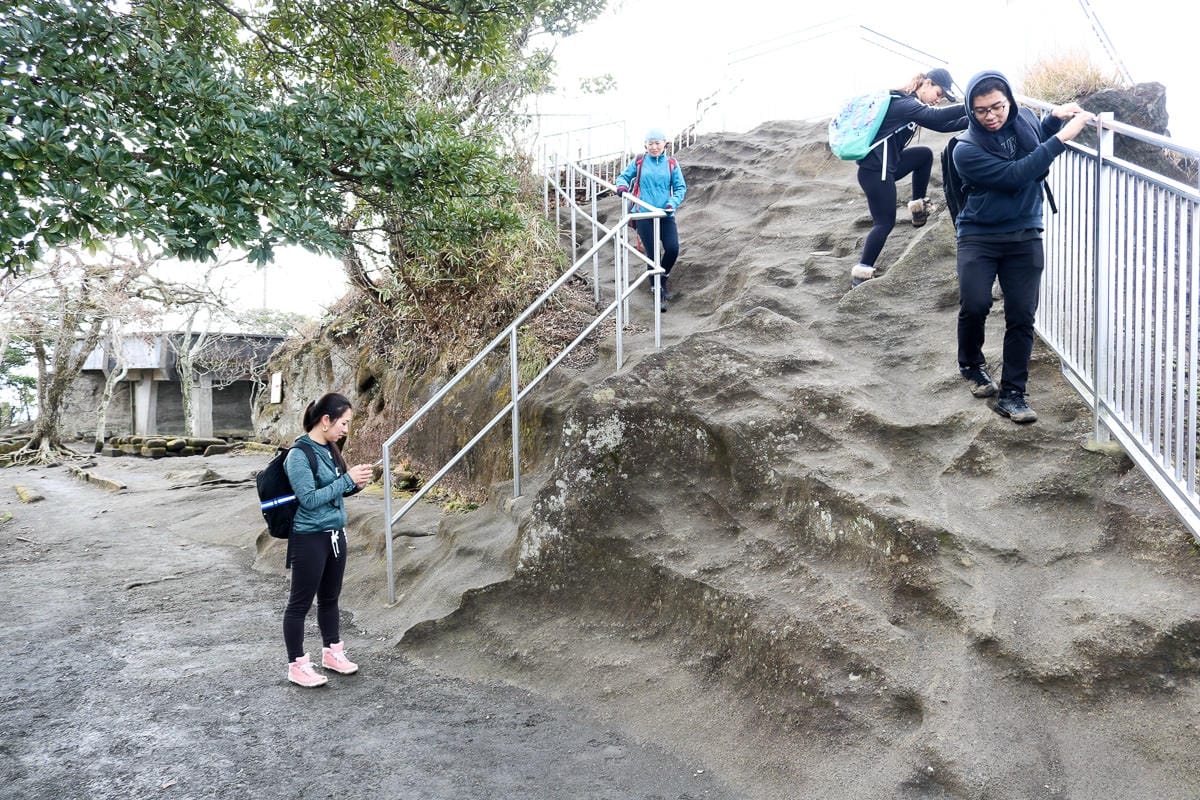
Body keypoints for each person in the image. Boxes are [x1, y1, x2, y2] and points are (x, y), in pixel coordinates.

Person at [952, 70, 1092, 423]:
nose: (991, 116)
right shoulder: (965, 149)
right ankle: (971, 364)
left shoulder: (1025, 118)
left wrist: (1052, 121)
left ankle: (1013, 394)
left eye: (997, 106)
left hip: (1025, 232)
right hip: (979, 235)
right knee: (975, 304)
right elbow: (1015, 175)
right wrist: (1063, 137)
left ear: (1010, 102)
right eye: (981, 110)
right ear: (971, 111)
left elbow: (1031, 142)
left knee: (1022, 315)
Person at [282, 392, 373, 687]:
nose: (346, 429)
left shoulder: (331, 449)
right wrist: (347, 479)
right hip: (309, 537)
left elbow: (335, 490)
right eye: (343, 423)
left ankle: (332, 653)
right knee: (299, 604)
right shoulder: (299, 454)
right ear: (325, 420)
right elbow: (308, 499)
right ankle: (297, 665)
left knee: (330, 599)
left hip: (335, 533)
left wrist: (355, 484)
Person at [851, 68, 969, 287]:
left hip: (888, 167)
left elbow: (942, 125)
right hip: (876, 172)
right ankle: (861, 273)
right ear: (927, 83)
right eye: (939, 93)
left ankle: (918, 209)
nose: (938, 99)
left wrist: (977, 119)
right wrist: (975, 104)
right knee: (884, 223)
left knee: (923, 155)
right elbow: (938, 116)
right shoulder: (905, 104)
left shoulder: (912, 106)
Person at [615, 128, 687, 311]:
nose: (654, 147)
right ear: (645, 145)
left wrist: (672, 204)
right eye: (650, 144)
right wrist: (622, 188)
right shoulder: (639, 161)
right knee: (653, 254)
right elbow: (623, 177)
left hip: (665, 214)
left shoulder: (672, 163)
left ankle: (662, 278)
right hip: (643, 214)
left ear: (664, 144)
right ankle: (657, 291)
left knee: (672, 249)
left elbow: (680, 188)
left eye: (657, 143)